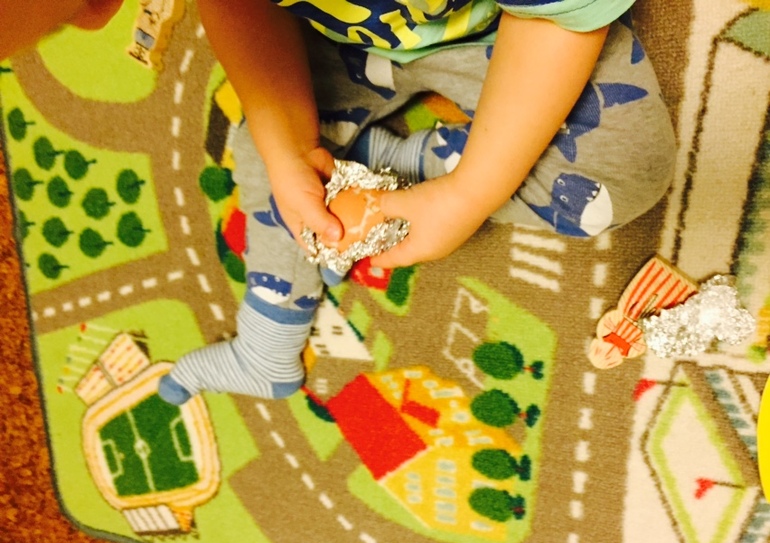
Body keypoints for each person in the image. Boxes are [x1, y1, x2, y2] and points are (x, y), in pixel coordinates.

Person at [0, 0, 676, 405]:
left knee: (624, 171)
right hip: (335, 36)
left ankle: (387, 162)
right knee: (269, 147)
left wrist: (470, 192)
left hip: (507, 30)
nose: (95, 17)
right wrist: (289, 144)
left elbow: (560, 18)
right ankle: (268, 346)